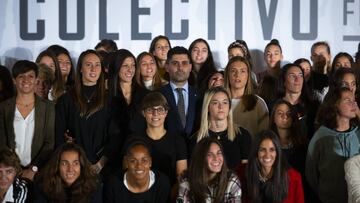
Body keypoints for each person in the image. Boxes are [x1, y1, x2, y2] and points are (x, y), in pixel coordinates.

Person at [55, 50, 110, 175]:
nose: (93, 69)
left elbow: (115, 136)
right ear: (80, 68)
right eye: (88, 64)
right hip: (73, 168)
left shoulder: (110, 99)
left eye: (97, 65)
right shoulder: (66, 100)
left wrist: (100, 163)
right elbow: (59, 136)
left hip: (102, 167)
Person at [0, 60, 55, 181]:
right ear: (14, 80)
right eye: (21, 76)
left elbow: (49, 143)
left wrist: (34, 168)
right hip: (10, 174)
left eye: (30, 76)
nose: (26, 80)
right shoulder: (4, 108)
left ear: (36, 80)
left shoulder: (49, 108)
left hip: (40, 173)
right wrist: (16, 169)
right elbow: (2, 143)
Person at [306, 87, 360, 203]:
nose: (353, 104)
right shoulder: (321, 137)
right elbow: (311, 174)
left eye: (354, 100)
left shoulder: (358, 133)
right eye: (347, 100)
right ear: (335, 105)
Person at [192, 86, 252, 169]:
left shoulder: (243, 135)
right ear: (208, 107)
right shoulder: (196, 139)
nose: (221, 107)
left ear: (229, 107)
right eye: (215, 103)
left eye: (225, 102)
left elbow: (246, 173)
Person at [240, 130, 304, 203]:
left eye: (272, 150)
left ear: (277, 153)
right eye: (262, 150)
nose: (267, 155)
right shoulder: (243, 172)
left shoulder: (294, 178)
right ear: (256, 152)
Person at [139, 92, 187, 186]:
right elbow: (128, 174)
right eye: (150, 109)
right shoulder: (134, 140)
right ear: (143, 113)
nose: (155, 113)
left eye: (160, 109)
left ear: (166, 112)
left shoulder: (178, 140)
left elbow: (182, 179)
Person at [104, 138, 171, 203]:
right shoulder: (113, 184)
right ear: (126, 162)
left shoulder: (162, 183)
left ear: (150, 162)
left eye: (144, 160)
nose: (139, 166)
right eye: (133, 161)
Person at [177, 137, 242, 203]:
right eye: (209, 154)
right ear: (200, 159)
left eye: (219, 153)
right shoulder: (187, 181)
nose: (216, 158)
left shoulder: (231, 180)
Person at [34, 143, 102, 203]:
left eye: (75, 163)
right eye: (64, 163)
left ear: (81, 166)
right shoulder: (44, 186)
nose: (70, 169)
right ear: (57, 166)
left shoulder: (93, 186)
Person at [159, 46, 200, 140]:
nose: (180, 67)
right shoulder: (158, 95)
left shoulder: (200, 95)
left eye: (184, 63)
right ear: (167, 67)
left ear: (190, 67)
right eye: (175, 63)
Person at [224, 56, 269, 138]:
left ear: (248, 75)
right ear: (227, 74)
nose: (237, 75)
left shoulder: (258, 103)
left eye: (242, 71)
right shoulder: (219, 102)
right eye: (233, 71)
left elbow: (264, 136)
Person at [276, 63, 319, 140]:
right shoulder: (274, 106)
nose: (297, 79)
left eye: (300, 75)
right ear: (284, 81)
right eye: (292, 76)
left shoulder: (314, 106)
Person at [257, 39, 283, 106]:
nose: (272, 57)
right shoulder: (258, 77)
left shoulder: (286, 76)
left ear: (281, 56)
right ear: (264, 57)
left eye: (276, 54)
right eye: (269, 54)